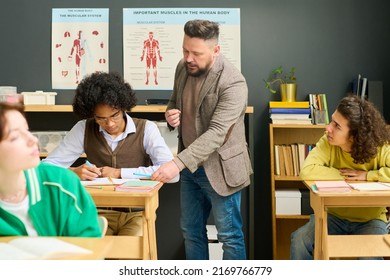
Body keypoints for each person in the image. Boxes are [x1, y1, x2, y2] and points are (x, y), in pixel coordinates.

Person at [151, 20, 253, 260]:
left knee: (229, 235)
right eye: (185, 50)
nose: (188, 58)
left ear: (215, 50)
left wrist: (176, 163)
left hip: (221, 168)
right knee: (191, 232)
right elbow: (174, 102)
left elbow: (217, 132)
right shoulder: (182, 67)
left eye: (196, 53)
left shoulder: (233, 82)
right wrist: (171, 114)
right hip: (190, 167)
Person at [43, 71, 177, 236]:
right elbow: (44, 169)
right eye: (101, 118)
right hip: (96, 212)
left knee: (126, 255)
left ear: (123, 107)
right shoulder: (83, 128)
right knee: (96, 255)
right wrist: (73, 172)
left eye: (114, 115)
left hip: (137, 213)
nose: (110, 123)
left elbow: (171, 174)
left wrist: (120, 173)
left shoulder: (146, 129)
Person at [291, 95, 390, 260]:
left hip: (370, 220)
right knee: (299, 240)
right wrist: (346, 176)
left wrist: (368, 175)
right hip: (333, 217)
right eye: (331, 121)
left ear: (354, 136)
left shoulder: (379, 147)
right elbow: (306, 170)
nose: (328, 128)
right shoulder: (327, 142)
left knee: (370, 259)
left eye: (336, 126)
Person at [0, 102, 101, 237]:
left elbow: (92, 251)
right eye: (15, 137)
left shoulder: (63, 184)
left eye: (27, 130)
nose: (33, 139)